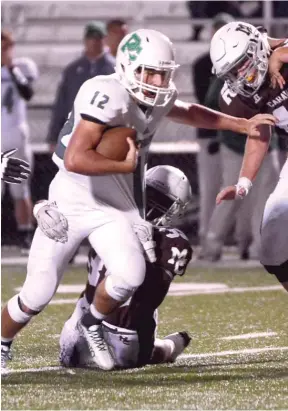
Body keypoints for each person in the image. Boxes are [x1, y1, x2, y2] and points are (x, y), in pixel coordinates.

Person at [1, 28, 277, 374]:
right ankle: (2, 344)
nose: (157, 80)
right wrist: (124, 164)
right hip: (72, 198)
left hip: (115, 204)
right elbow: (75, 159)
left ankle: (91, 323)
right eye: (149, 72)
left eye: (163, 73)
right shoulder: (104, 92)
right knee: (37, 293)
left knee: (130, 273)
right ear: (129, 66)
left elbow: (187, 110)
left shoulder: (158, 96)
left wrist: (241, 124)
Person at [59, 165, 193, 369]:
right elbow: (154, 291)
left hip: (75, 329)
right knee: (153, 332)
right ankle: (169, 347)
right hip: (125, 341)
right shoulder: (174, 241)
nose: (153, 205)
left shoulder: (104, 216)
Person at [210, 22, 288, 290]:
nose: (239, 75)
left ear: (256, 48)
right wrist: (243, 184)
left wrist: (282, 53)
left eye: (241, 64)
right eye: (231, 71)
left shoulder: (280, 52)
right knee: (273, 245)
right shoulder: (235, 98)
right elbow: (260, 130)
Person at [191, 13, 233, 246]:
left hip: (235, 136)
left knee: (233, 188)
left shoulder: (240, 61)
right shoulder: (202, 65)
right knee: (210, 188)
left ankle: (234, 238)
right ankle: (207, 237)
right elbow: (204, 102)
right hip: (210, 135)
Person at [46, 21, 115, 152]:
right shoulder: (72, 70)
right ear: (85, 40)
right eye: (91, 38)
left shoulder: (115, 69)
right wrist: (54, 136)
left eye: (98, 38)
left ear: (104, 40)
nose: (94, 42)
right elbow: (61, 104)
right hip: (76, 132)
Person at [1, 29, 38, 252]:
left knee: (20, 188)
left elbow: (27, 93)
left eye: (6, 46)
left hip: (16, 134)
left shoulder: (22, 67)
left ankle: (26, 234)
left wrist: (10, 67)